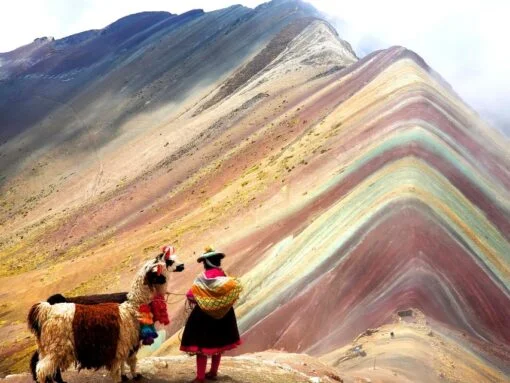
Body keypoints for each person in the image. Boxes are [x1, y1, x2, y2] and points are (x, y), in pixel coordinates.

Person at [180, 246, 242, 382]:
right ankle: (213, 372)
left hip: (203, 317)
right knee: (218, 345)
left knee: (201, 347)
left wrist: (204, 299)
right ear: (218, 262)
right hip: (224, 316)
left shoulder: (202, 279)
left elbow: (190, 295)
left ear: (206, 263)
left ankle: (200, 377)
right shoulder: (225, 278)